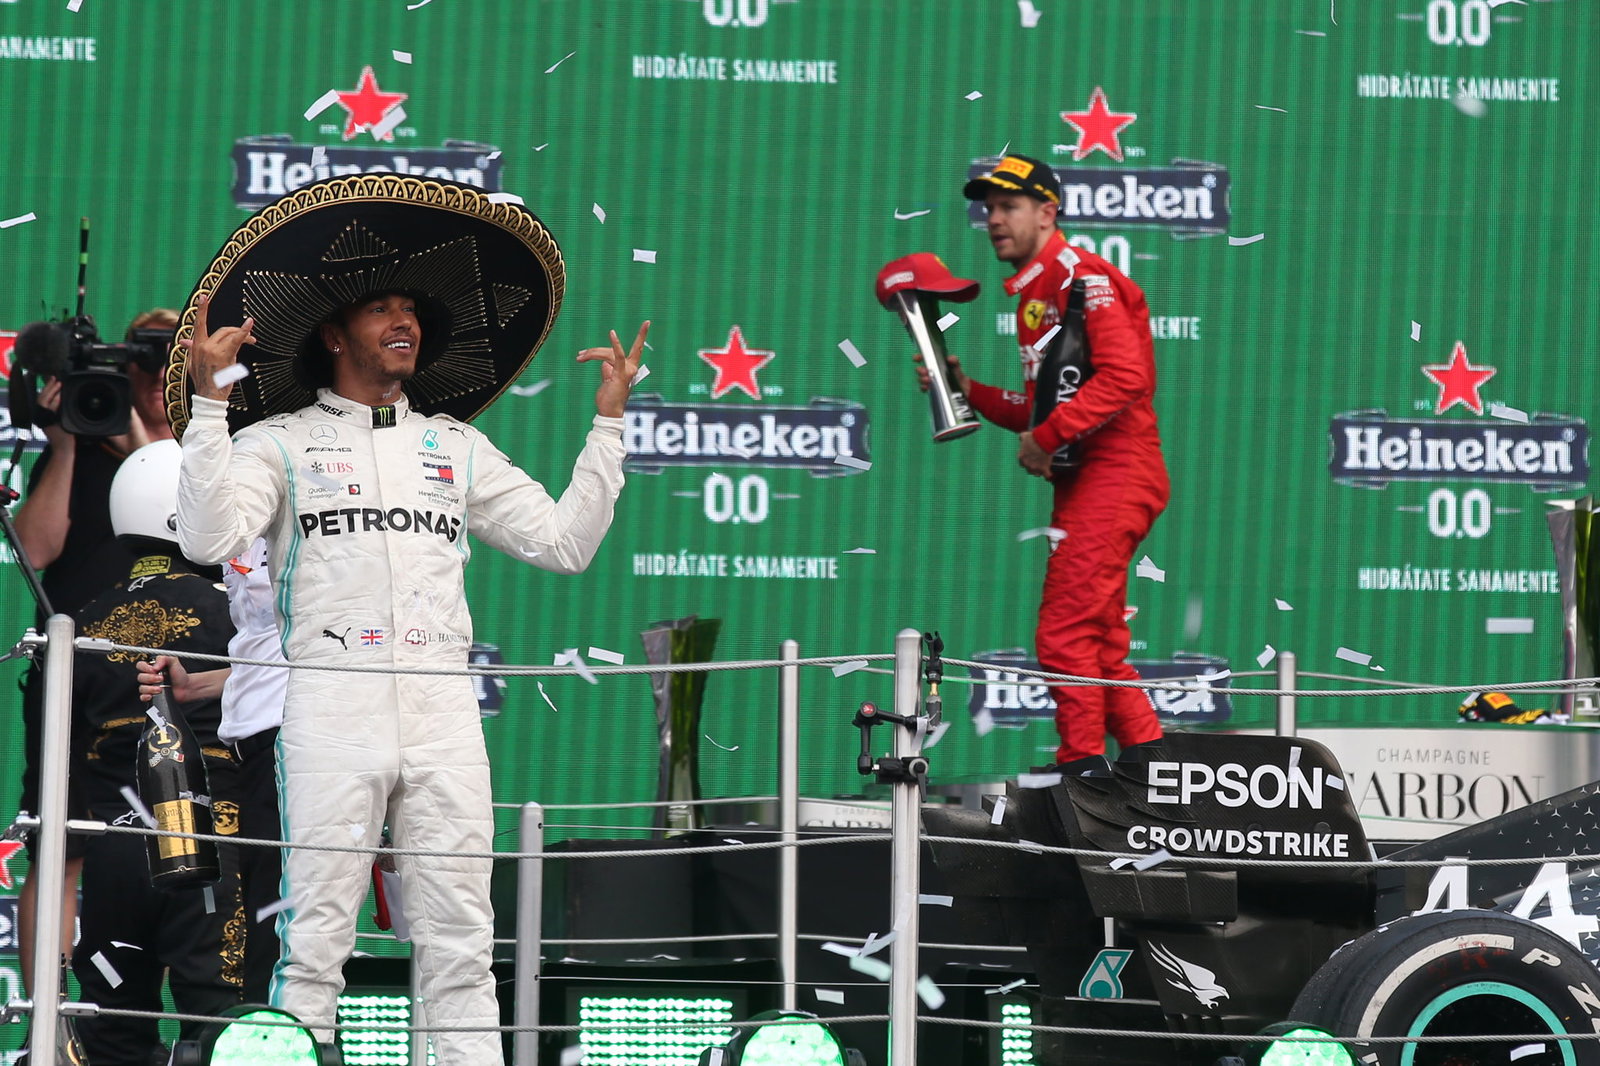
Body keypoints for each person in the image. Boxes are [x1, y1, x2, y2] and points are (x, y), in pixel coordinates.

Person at [167, 174, 647, 1061]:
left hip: (442, 704)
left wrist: (608, 427)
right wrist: (206, 408)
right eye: (381, 307)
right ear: (333, 331)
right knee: (316, 938)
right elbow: (206, 535)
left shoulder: (454, 443)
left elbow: (564, 544)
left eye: (412, 310)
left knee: (461, 936)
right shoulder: (276, 440)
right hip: (333, 700)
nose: (405, 322)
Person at [923, 154, 1168, 767]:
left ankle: (1079, 778)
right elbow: (1040, 408)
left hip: (1116, 472)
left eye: (1008, 206)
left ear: (1047, 212)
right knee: (1103, 646)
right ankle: (1157, 776)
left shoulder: (1082, 277)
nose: (993, 219)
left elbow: (1126, 377)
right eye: (987, 209)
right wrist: (967, 390)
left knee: (1062, 633)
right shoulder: (1033, 290)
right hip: (1087, 480)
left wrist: (1048, 435)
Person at [10, 308, 176, 1005]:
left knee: (183, 850)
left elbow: (192, 525)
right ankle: (49, 1024)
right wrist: (68, 440)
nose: (160, 374)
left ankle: (158, 1015)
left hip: (177, 674)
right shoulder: (82, 432)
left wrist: (132, 436)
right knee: (61, 848)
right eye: (145, 360)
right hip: (77, 678)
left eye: (174, 359)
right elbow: (37, 550)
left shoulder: (208, 455)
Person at [69, 440, 248, 1065]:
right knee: (219, 1019)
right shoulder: (237, 610)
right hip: (209, 839)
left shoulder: (82, 621)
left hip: (115, 847)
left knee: (111, 1018)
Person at [136, 534, 285, 1002]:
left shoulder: (312, 499)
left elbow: (328, 648)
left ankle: (289, 1041)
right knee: (269, 914)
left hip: (304, 738)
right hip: (259, 746)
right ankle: (269, 1037)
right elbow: (272, 654)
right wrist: (194, 686)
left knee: (292, 918)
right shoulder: (238, 524)